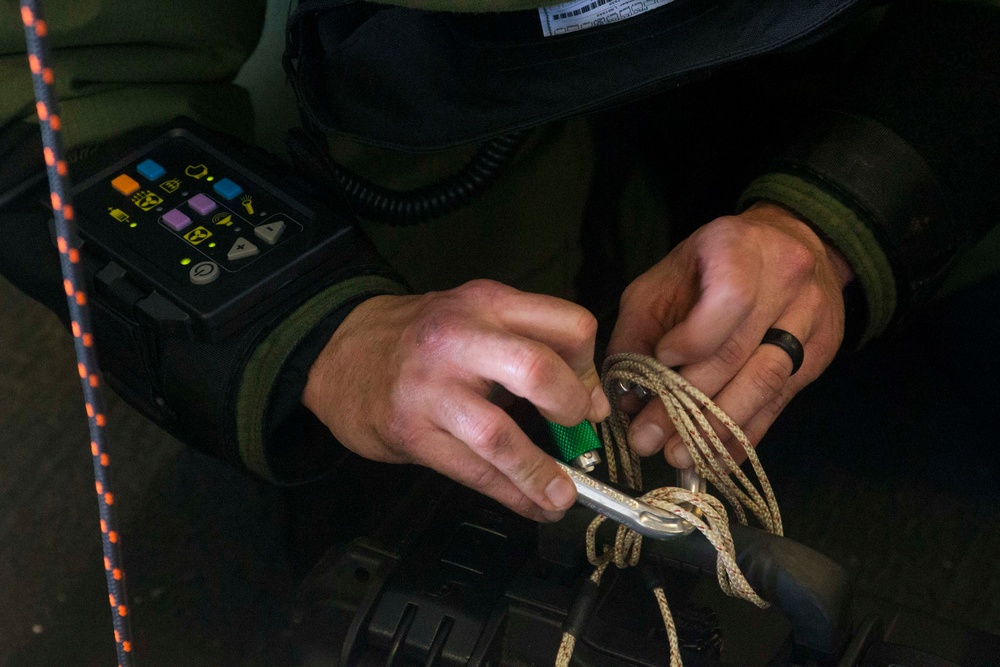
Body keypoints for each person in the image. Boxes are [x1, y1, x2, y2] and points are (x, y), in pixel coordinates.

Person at [1, 0, 997, 527]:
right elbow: (59, 91)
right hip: (448, 162)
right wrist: (328, 334)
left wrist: (840, 219)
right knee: (419, 521)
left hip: (892, 76)